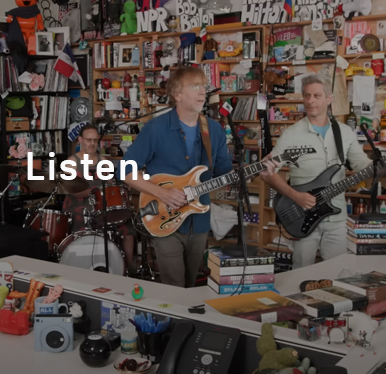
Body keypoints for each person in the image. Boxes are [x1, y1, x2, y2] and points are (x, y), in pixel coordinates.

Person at [117, 66, 272, 288]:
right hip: (163, 218)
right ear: (177, 94)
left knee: (192, 284)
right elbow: (125, 171)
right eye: (195, 86)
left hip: (199, 221)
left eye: (204, 86)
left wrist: (254, 171)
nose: (202, 92)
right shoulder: (155, 129)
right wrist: (163, 193)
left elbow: (224, 174)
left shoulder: (214, 130)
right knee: (174, 286)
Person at [260, 74, 371, 269]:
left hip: (336, 218)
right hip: (302, 215)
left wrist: (378, 165)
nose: (311, 101)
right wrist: (295, 196)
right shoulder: (291, 134)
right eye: (307, 95)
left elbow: (362, 165)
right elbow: (267, 172)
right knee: (301, 273)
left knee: (337, 273)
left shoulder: (344, 132)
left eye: (317, 95)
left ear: (329, 99)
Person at [62, 124, 135, 268]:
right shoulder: (71, 163)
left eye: (95, 140)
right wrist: (95, 189)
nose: (92, 143)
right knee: (82, 219)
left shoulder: (104, 162)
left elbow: (109, 188)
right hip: (78, 205)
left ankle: (128, 266)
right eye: (88, 140)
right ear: (80, 140)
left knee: (127, 223)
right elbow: (71, 190)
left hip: (101, 204)